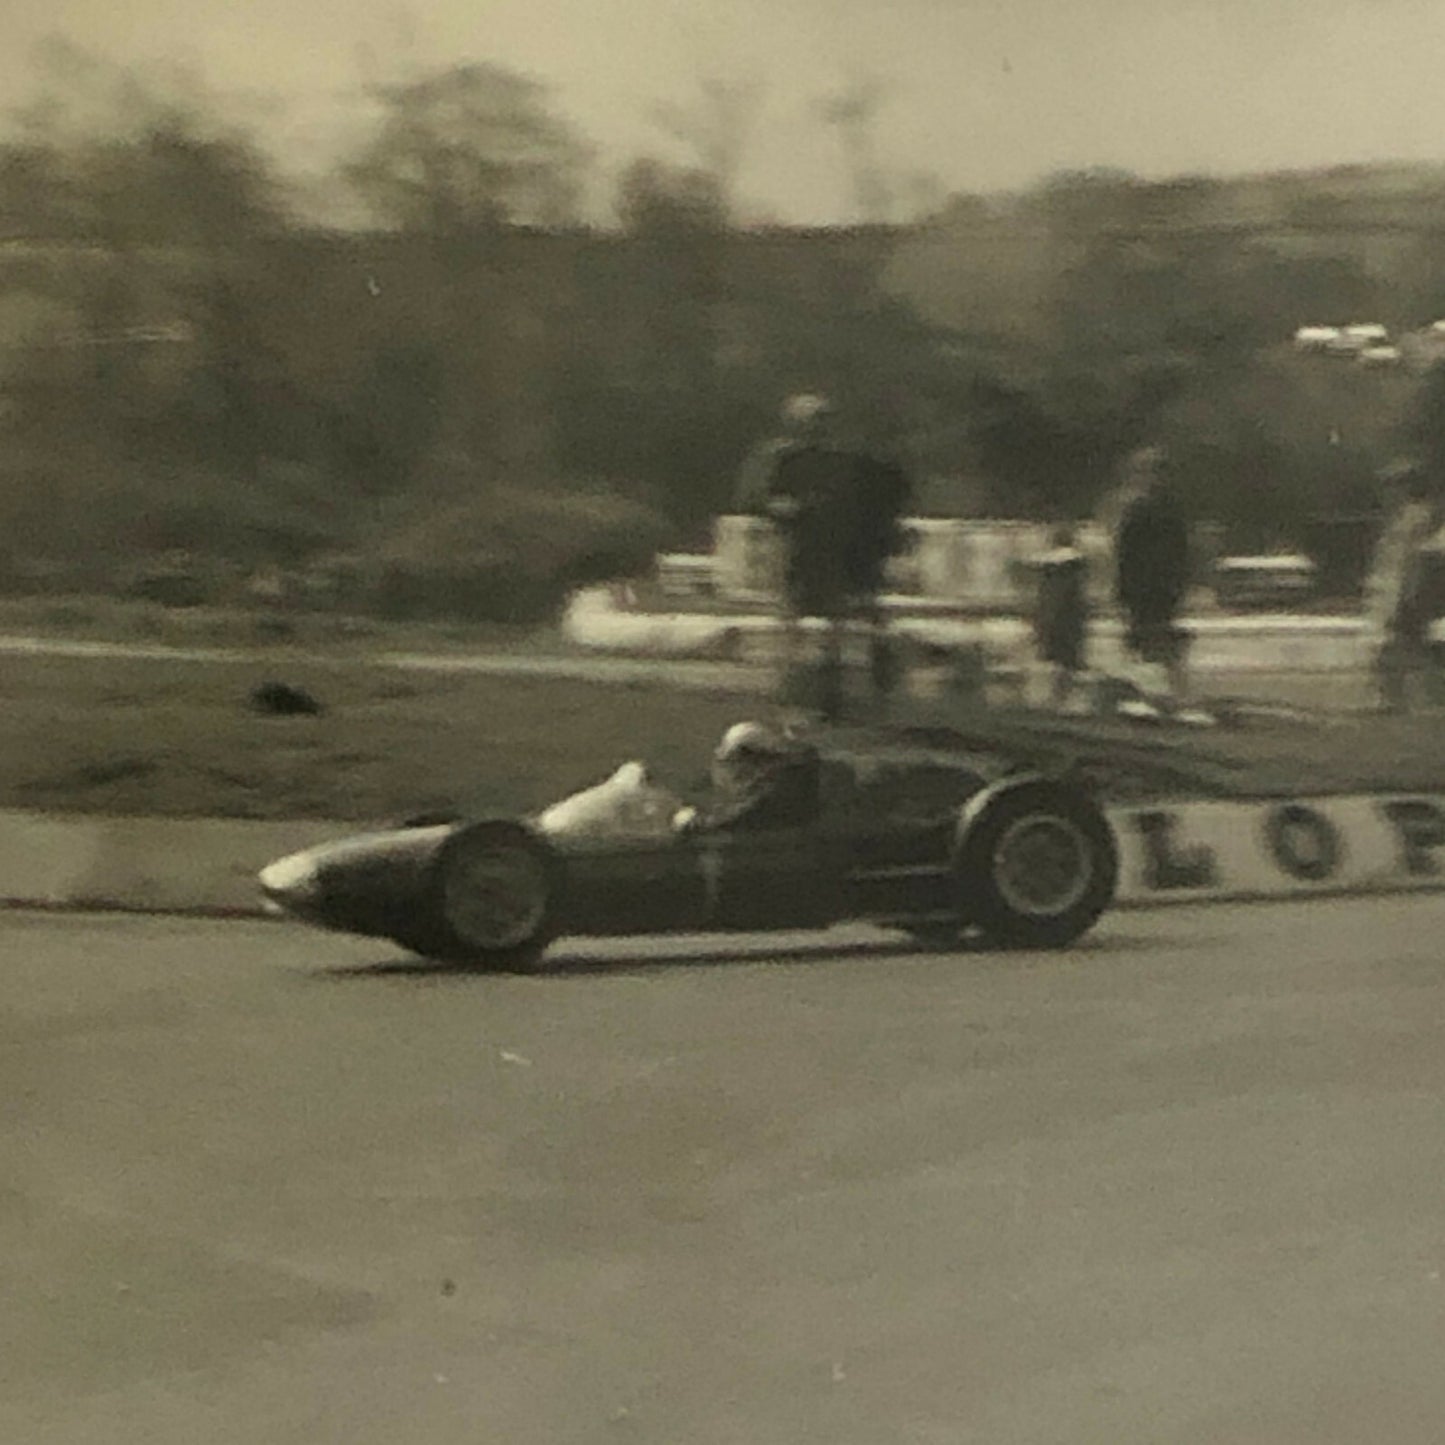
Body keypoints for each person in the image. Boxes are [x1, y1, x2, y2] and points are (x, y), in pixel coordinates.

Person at [1111, 445, 1192, 702]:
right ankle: (1162, 690)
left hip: (1151, 589)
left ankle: (1154, 691)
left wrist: (1122, 591)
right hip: (1155, 589)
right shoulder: (1167, 509)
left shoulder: (1142, 510)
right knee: (1154, 640)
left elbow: (1126, 554)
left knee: (1150, 640)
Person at [1367, 460, 1445, 711]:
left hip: (1405, 589)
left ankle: (1394, 699)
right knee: (1408, 646)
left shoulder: (1417, 517)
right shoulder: (1408, 517)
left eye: (1394, 484)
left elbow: (1416, 558)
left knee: (1395, 646)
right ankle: (1401, 698)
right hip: (1397, 588)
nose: (1389, 491)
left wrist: (1409, 592)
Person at [674, 721, 822, 834]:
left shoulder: (774, 786)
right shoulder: (785, 775)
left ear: (747, 760)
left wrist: (691, 822)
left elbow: (739, 818)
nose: (735, 776)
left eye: (732, 765)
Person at [1031, 522, 1089, 709]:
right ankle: (1060, 699)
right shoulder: (1075, 573)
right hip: (1069, 619)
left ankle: (1058, 699)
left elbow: (1048, 602)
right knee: (1067, 662)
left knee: (1061, 662)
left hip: (1059, 619)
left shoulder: (1051, 576)